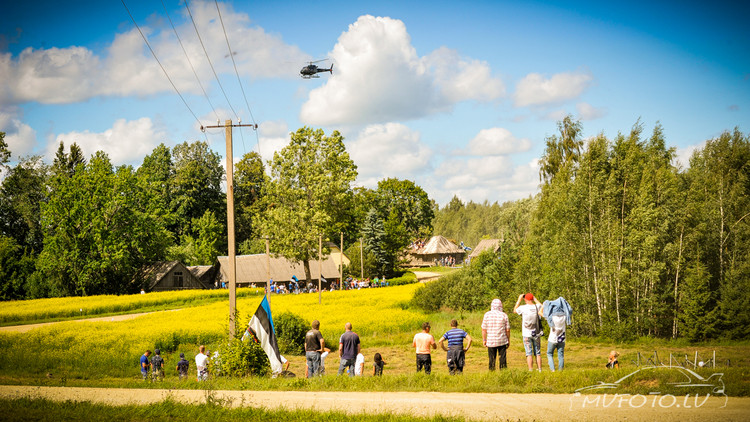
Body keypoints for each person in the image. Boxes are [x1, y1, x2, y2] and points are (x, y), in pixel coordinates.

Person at [541, 296, 572, 371]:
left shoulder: (551, 317)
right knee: (561, 355)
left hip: (552, 339)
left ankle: (553, 370)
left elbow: (541, 313)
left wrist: (544, 306)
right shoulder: (565, 316)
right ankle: (560, 370)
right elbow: (569, 311)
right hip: (562, 339)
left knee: (549, 354)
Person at [514, 293, 543, 371]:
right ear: (532, 299)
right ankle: (539, 369)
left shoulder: (523, 308)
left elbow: (515, 310)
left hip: (526, 333)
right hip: (536, 333)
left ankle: (530, 369)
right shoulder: (537, 307)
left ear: (525, 299)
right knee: (538, 352)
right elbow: (543, 306)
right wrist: (535, 299)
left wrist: (519, 300)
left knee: (528, 353)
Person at [481, 299, 511, 370]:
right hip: (502, 340)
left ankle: (492, 373)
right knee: (502, 359)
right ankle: (503, 373)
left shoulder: (487, 315)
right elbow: (507, 330)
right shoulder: (504, 315)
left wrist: (484, 339)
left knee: (492, 359)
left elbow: (484, 329)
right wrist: (508, 340)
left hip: (491, 341)